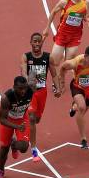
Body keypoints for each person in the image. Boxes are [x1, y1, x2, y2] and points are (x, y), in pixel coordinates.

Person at [20, 32, 59, 162]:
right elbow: (23, 73)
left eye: (39, 41)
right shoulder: (26, 57)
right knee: (31, 118)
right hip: (30, 92)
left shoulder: (48, 57)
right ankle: (34, 149)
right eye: (34, 41)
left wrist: (57, 88)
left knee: (36, 120)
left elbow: (54, 75)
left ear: (42, 43)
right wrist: (29, 81)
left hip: (42, 92)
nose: (37, 43)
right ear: (30, 42)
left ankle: (27, 130)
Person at [42, 0, 89, 81]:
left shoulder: (85, 3)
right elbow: (53, 12)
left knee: (68, 62)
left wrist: (86, 19)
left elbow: (84, 14)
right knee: (54, 61)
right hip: (62, 34)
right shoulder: (64, 2)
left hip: (75, 36)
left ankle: (59, 78)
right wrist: (47, 28)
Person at [0, 76, 33, 178]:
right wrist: (17, 127)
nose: (23, 91)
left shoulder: (31, 89)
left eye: (25, 88)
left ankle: (14, 144)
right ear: (14, 87)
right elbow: (2, 119)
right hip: (8, 121)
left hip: (22, 120)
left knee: (24, 147)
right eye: (20, 88)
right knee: (4, 149)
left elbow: (33, 73)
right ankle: (0, 170)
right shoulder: (6, 98)